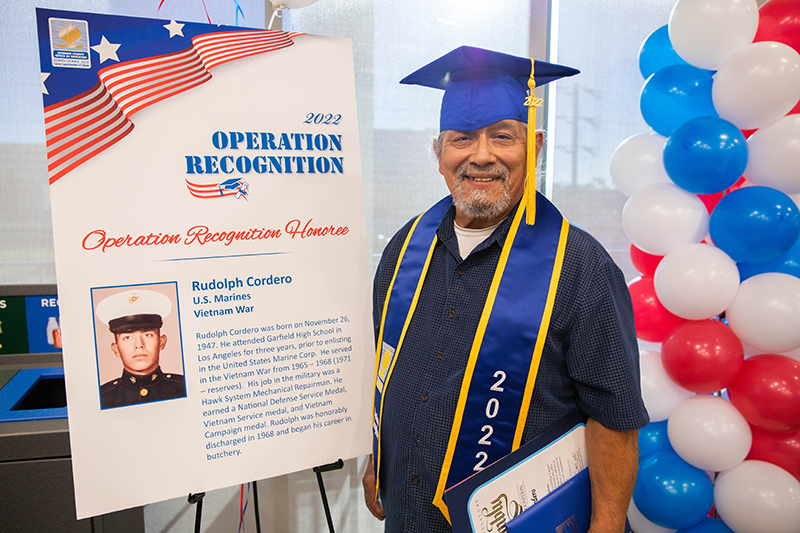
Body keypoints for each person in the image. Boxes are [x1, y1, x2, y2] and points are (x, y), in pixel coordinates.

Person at [363, 46, 649, 533]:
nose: (481, 155)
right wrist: (378, 461)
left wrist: (605, 525)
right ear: (438, 155)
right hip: (410, 515)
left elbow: (614, 418)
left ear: (533, 146)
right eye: (461, 139)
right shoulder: (404, 248)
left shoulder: (579, 266)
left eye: (502, 137)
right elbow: (389, 369)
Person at [95, 288, 186, 409]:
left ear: (161, 342)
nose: (139, 345)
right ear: (116, 349)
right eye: (127, 337)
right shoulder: (102, 397)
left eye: (147, 335)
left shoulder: (184, 387)